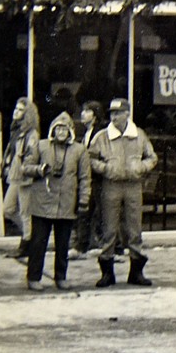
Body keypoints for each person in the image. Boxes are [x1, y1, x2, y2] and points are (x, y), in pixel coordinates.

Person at [88, 98, 157, 287]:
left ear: (127, 113)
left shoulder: (139, 135)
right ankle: (107, 273)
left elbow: (152, 157)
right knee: (109, 228)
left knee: (134, 228)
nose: (114, 117)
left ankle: (136, 272)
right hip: (111, 185)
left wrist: (140, 167)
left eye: (118, 113)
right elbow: (91, 158)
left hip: (134, 186)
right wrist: (106, 168)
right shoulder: (101, 137)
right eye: (112, 113)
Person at [20, 113, 92, 291]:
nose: (61, 132)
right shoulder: (41, 146)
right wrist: (39, 169)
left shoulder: (79, 150)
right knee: (38, 243)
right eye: (58, 128)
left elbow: (85, 177)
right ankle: (33, 277)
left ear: (70, 132)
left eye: (65, 129)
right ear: (53, 130)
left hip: (66, 203)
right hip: (42, 202)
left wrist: (83, 200)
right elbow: (25, 168)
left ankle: (61, 277)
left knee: (63, 244)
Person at [2, 96, 40, 259]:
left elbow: (32, 153)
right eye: (16, 109)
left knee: (25, 212)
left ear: (27, 114)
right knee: (8, 209)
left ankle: (26, 243)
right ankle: (29, 235)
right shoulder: (16, 129)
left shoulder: (31, 133)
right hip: (14, 175)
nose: (15, 112)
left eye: (20, 110)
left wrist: (25, 168)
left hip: (24, 176)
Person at [71, 100, 105, 256]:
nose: (83, 114)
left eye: (87, 111)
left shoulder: (99, 133)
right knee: (85, 210)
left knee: (96, 211)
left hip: (97, 178)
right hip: (88, 177)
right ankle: (83, 243)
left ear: (95, 115)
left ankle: (94, 242)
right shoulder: (86, 133)